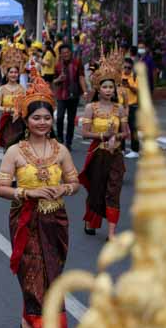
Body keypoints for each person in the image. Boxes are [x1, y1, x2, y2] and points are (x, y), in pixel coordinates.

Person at [0, 71, 80, 328]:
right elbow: (1, 187)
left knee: (51, 273)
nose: (42, 123)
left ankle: (28, 318)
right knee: (32, 273)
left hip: (56, 220)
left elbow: (75, 183)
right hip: (26, 219)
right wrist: (27, 193)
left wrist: (64, 189)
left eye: (46, 117)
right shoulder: (15, 152)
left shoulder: (62, 151)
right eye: (36, 118)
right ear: (26, 120)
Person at [79, 50, 128, 240]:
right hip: (97, 153)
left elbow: (126, 133)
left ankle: (111, 232)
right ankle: (91, 220)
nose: (108, 90)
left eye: (111, 87)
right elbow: (84, 133)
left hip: (115, 154)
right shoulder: (91, 108)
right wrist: (102, 135)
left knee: (113, 191)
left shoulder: (120, 108)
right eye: (105, 87)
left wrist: (117, 137)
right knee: (96, 188)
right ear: (98, 89)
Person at [53, 44, 87, 150]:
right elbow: (53, 81)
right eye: (63, 53)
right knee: (59, 118)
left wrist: (85, 91)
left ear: (70, 53)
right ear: (61, 55)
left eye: (67, 52)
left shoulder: (77, 63)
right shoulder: (57, 66)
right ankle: (59, 140)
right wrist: (59, 79)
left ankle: (68, 142)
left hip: (74, 95)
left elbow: (81, 77)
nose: (66, 54)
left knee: (71, 120)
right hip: (61, 95)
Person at [0, 45, 26, 149]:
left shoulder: (22, 89)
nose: (13, 74)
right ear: (7, 74)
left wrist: (20, 111)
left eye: (16, 72)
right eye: (11, 72)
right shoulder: (2, 89)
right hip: (7, 122)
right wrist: (11, 110)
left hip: (20, 123)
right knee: (9, 148)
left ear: (19, 74)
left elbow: (26, 105)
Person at [121, 57, 140, 158]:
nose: (127, 69)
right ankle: (121, 149)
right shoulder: (119, 76)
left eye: (129, 68)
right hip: (122, 106)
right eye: (125, 67)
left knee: (133, 128)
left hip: (133, 106)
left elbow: (139, 91)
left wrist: (129, 86)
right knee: (121, 128)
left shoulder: (135, 77)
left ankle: (135, 150)